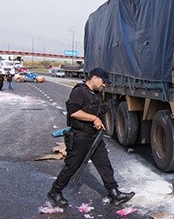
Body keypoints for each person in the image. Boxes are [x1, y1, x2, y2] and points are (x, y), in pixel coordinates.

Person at [47, 68, 135, 207]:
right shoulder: (79, 92)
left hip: (95, 136)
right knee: (72, 166)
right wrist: (94, 118)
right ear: (94, 78)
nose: (104, 85)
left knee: (104, 165)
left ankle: (114, 193)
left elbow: (100, 108)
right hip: (80, 137)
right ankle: (55, 191)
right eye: (103, 82)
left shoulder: (95, 94)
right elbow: (74, 112)